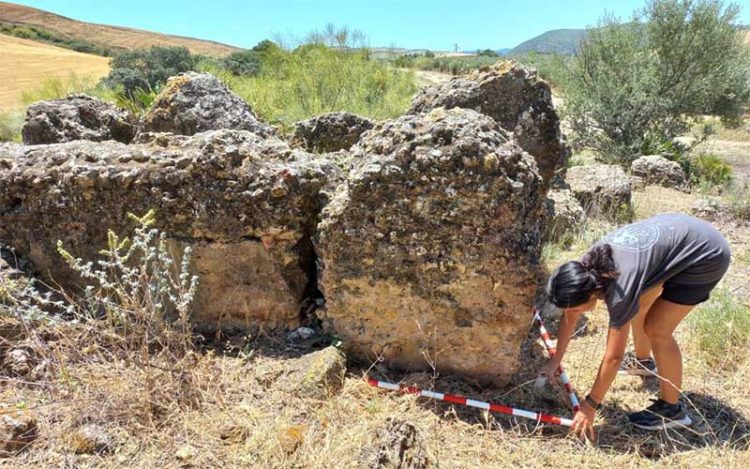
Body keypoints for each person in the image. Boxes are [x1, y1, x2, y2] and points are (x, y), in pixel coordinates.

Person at [543, 213, 731, 439]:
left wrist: (590, 405)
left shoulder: (620, 291)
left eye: (574, 308)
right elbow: (569, 316)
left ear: (592, 293)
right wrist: (555, 360)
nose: (571, 314)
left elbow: (613, 358)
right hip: (683, 236)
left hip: (706, 255)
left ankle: (672, 410)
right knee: (640, 306)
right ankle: (643, 362)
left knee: (657, 329)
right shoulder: (584, 269)